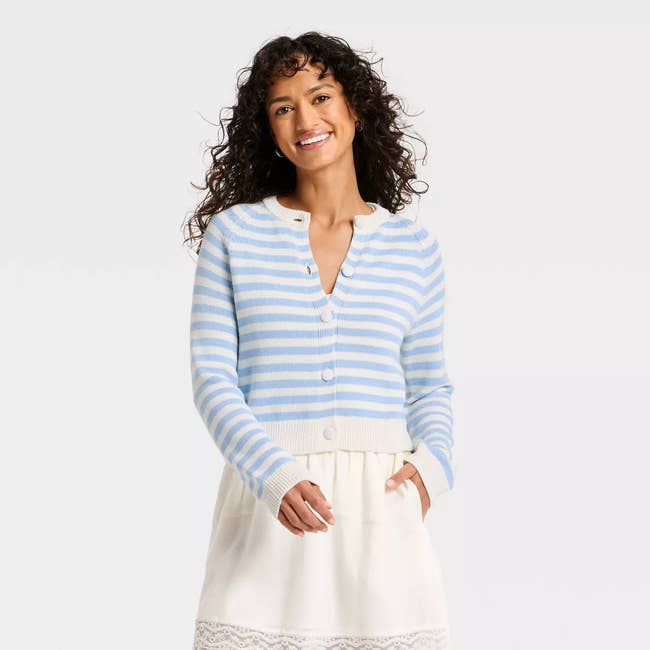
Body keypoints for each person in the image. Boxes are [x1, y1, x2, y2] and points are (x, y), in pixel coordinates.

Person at [183, 31, 456, 650]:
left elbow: (429, 386)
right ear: (269, 129)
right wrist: (273, 472)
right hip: (268, 510)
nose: (305, 119)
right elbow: (212, 378)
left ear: (355, 107)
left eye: (321, 96)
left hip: (383, 520)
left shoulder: (415, 249)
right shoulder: (235, 236)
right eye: (283, 107)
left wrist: (430, 471)